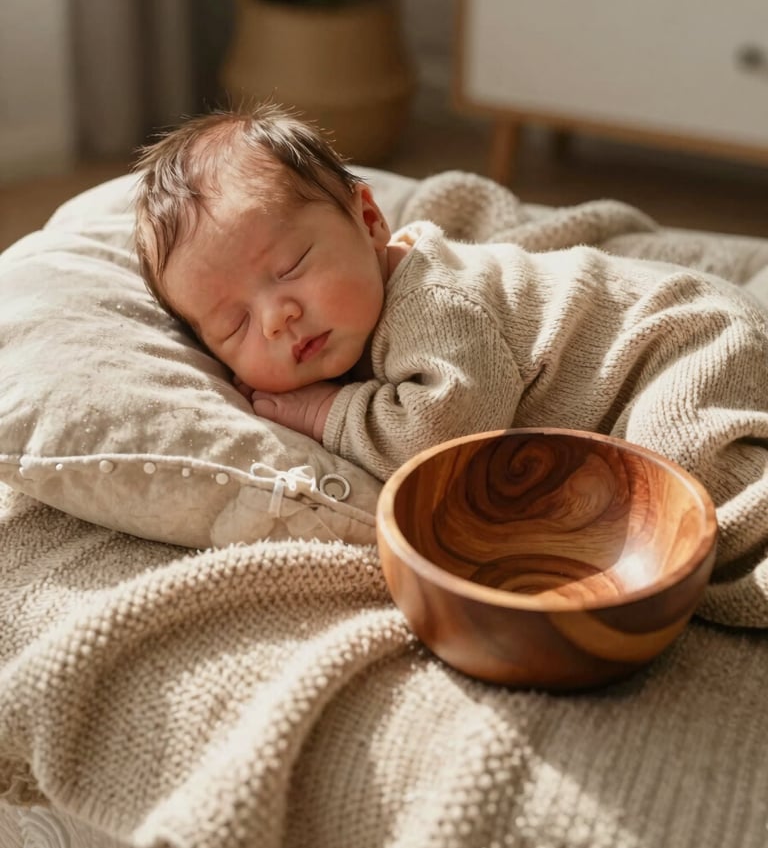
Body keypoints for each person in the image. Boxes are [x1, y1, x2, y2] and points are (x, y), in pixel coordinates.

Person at [134, 103, 768, 623]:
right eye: (234, 324)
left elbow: (447, 431)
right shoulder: (358, 314)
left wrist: (325, 411)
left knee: (691, 496)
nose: (276, 318)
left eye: (291, 267)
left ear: (371, 220)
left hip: (685, 342)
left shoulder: (432, 302)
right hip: (678, 337)